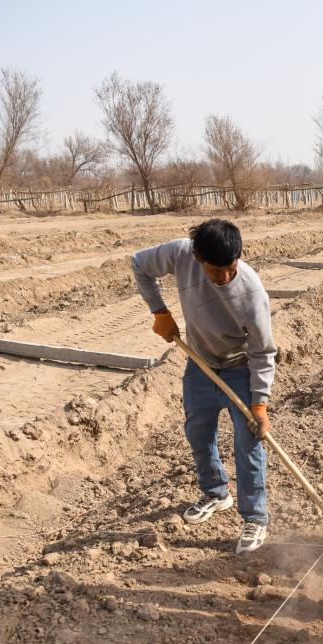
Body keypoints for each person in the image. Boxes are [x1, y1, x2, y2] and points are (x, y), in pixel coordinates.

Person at [132, 219, 277, 555]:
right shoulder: (182, 253)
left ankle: (255, 518)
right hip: (199, 365)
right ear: (198, 258)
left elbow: (263, 352)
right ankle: (216, 493)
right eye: (216, 270)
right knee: (198, 433)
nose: (225, 277)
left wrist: (259, 403)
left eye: (231, 268)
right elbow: (139, 264)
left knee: (249, 444)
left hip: (240, 370)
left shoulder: (251, 292)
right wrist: (159, 311)